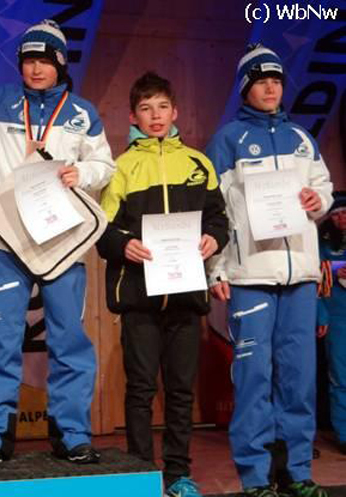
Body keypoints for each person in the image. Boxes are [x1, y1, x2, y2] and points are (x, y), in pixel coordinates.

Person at [0, 20, 114, 466]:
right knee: (0, 336)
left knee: (69, 337)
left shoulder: (82, 113)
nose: (35, 68)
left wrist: (82, 174)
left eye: (44, 60)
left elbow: (105, 165)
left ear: (60, 64)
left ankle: (71, 433)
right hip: (5, 238)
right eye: (29, 60)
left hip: (62, 239)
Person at [206, 44, 333, 497]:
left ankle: (297, 471)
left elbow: (323, 190)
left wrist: (321, 203)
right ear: (246, 87)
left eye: (276, 80)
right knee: (254, 381)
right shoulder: (228, 140)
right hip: (250, 276)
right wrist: (216, 270)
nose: (271, 87)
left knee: (299, 381)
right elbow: (215, 213)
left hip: (299, 275)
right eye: (261, 80)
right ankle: (256, 477)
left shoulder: (302, 138)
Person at [96, 71, 228, 497]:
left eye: (162, 107)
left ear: (175, 112)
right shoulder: (121, 167)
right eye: (146, 109)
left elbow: (218, 218)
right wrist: (124, 245)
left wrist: (215, 238)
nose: (155, 116)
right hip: (139, 296)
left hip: (187, 297)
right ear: (133, 115)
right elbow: (102, 229)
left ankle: (177, 474)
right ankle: (141, 476)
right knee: (139, 389)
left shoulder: (198, 163)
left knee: (180, 391)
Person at [317, 192, 346, 455]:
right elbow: (315, 276)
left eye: (345, 212)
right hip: (337, 316)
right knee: (340, 377)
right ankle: (344, 434)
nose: (340, 219)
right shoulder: (322, 240)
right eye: (335, 214)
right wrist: (321, 315)